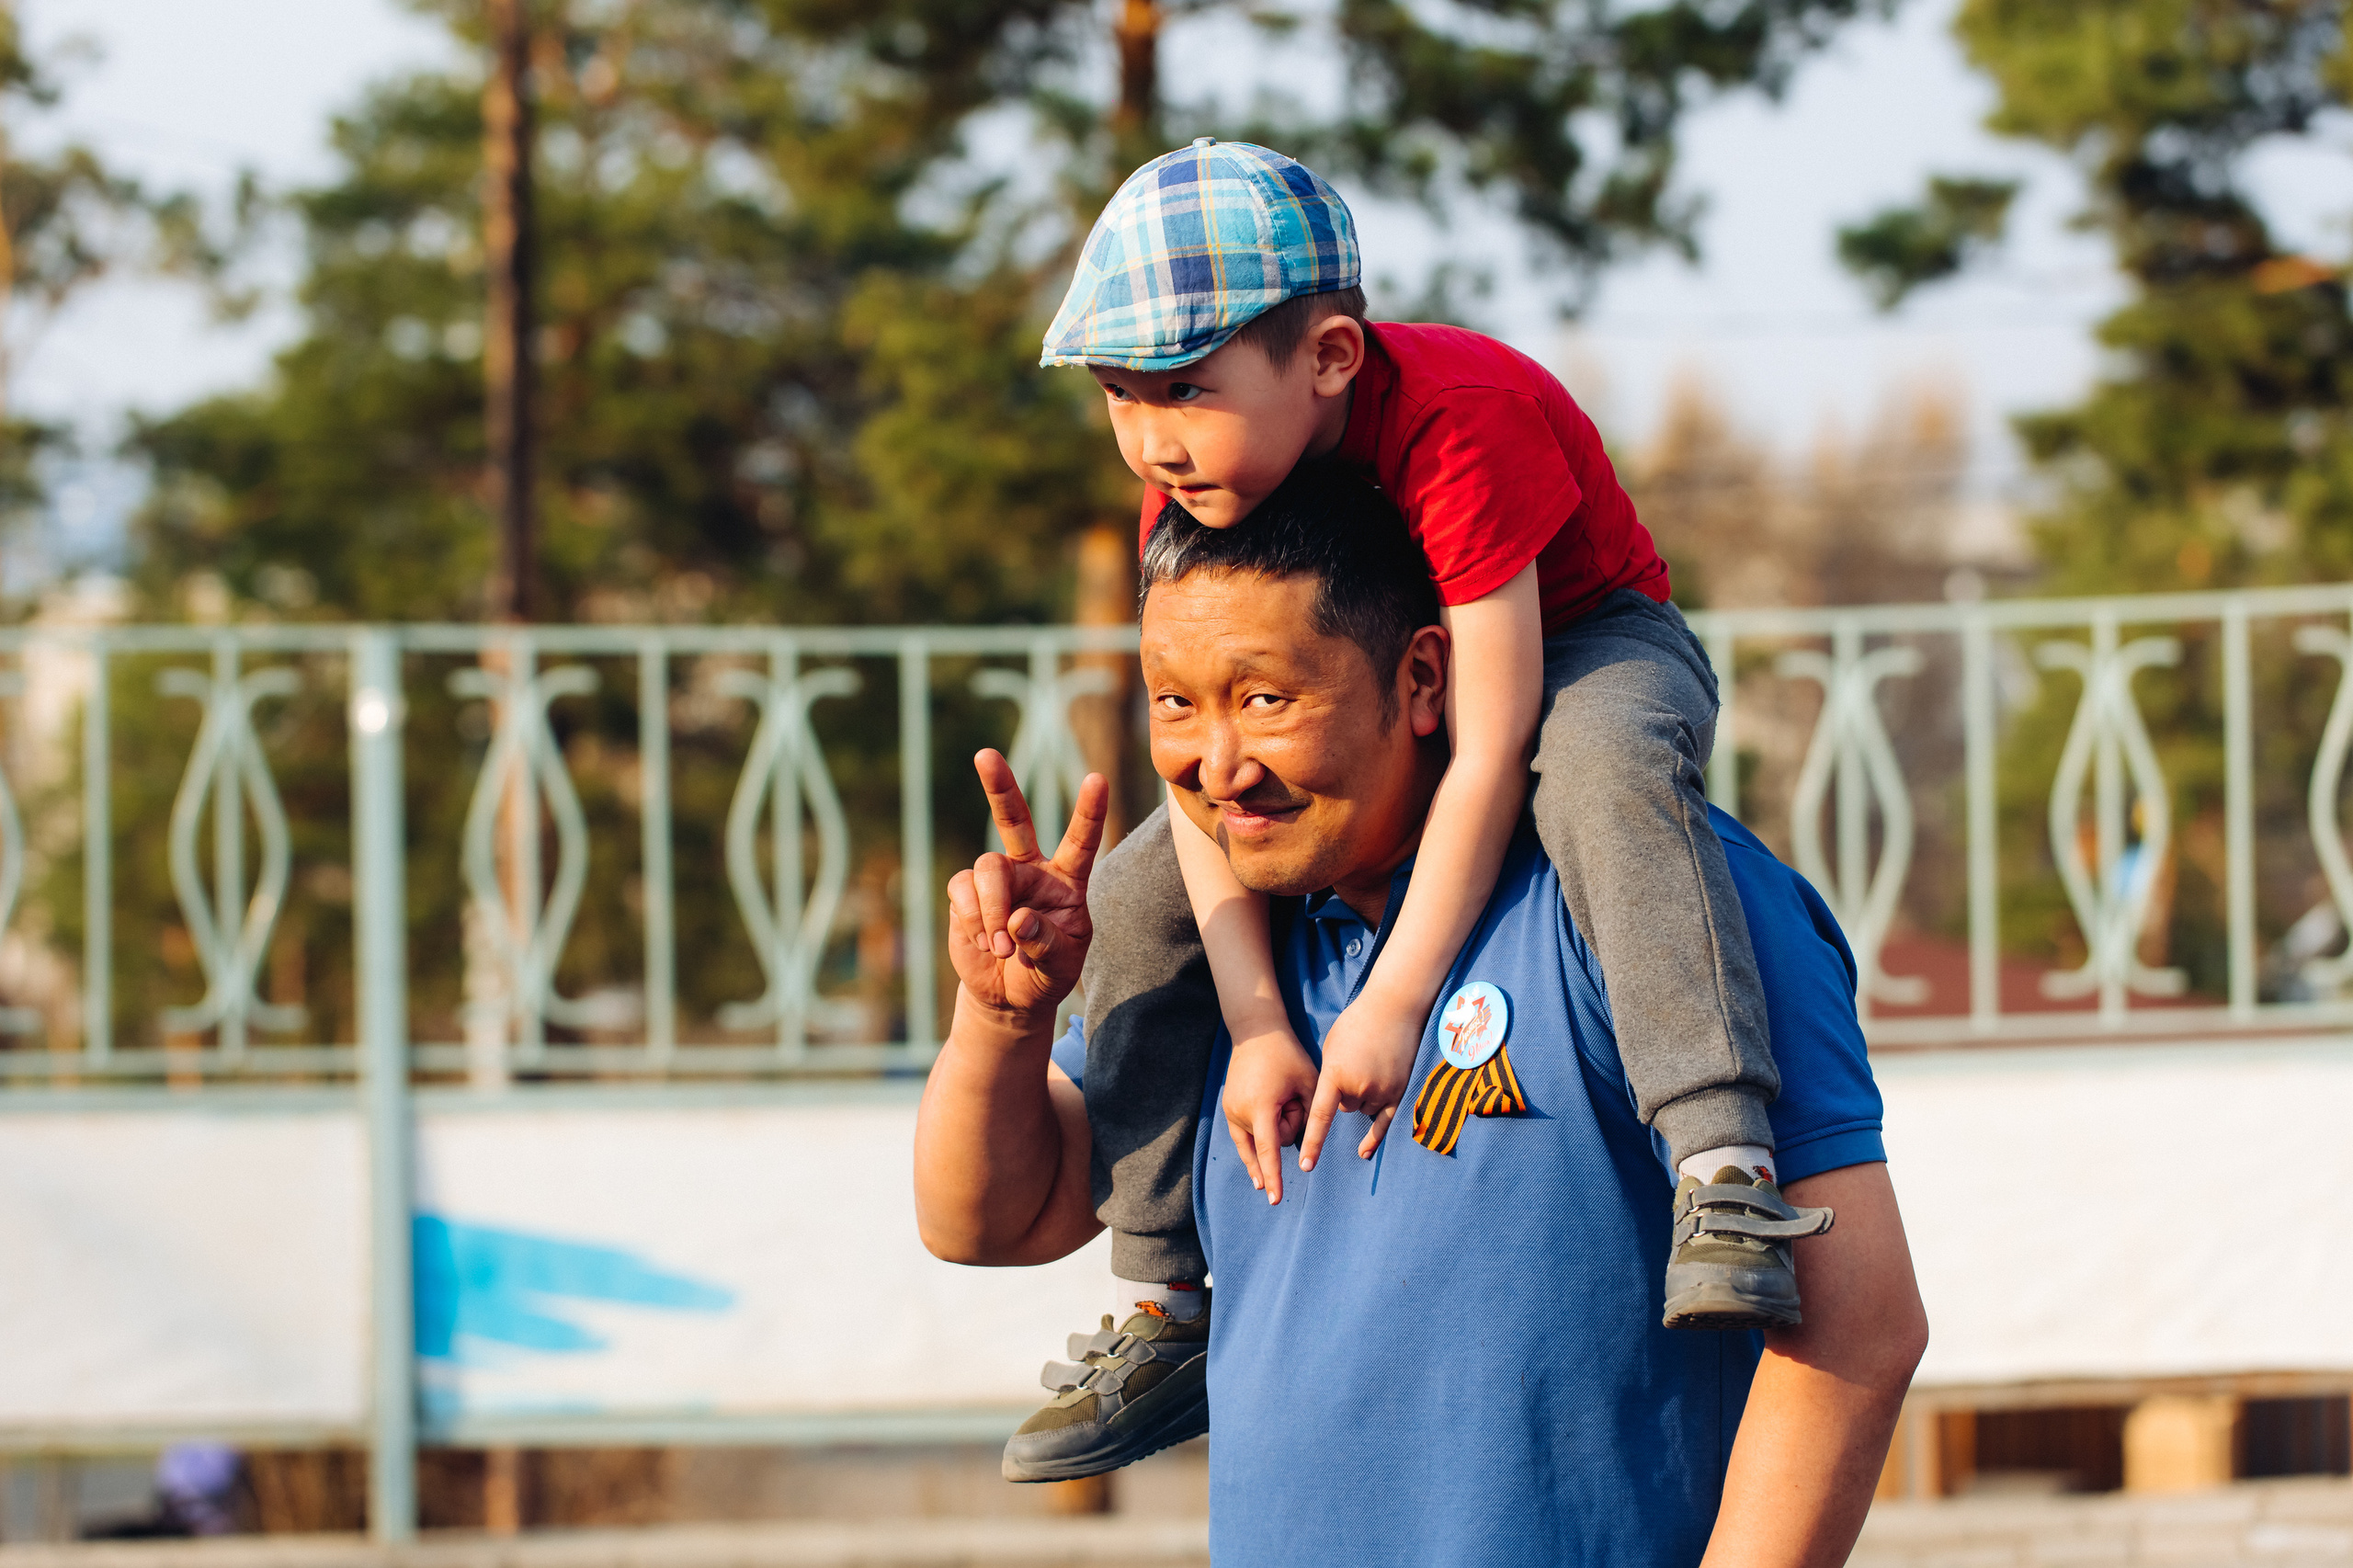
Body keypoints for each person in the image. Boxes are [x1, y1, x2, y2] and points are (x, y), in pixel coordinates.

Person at [914, 462, 1927, 1562]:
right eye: (1175, 702)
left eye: (1264, 697)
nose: (1218, 765)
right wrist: (1002, 1020)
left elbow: (1859, 1323)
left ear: (1423, 677)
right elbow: (989, 1220)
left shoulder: (1657, 900)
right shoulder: (1216, 950)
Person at [1006, 133, 1817, 1478]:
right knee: (1136, 890)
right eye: (1119, 394)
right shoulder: (1197, 476)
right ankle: (1165, 1294)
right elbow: (1199, 781)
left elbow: (1496, 747)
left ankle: (1721, 1161)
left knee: (1604, 775)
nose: (1151, 436)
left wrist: (1393, 1002)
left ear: (1328, 359)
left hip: (1575, 640)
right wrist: (1261, 1023)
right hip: (1374, 680)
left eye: (1185, 390)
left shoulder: (1460, 425)